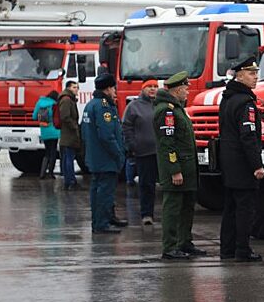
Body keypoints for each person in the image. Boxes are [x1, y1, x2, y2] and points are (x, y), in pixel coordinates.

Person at [153, 71, 206, 259]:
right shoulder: (166, 111)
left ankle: (184, 242)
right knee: (173, 209)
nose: (187, 92)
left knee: (186, 208)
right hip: (177, 170)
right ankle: (170, 246)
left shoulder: (177, 108)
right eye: (185, 89)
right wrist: (174, 170)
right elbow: (168, 144)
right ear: (176, 90)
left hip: (187, 169)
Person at [218, 56, 264, 262]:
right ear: (239, 75)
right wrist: (257, 165)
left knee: (230, 208)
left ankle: (227, 249)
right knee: (244, 209)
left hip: (228, 162)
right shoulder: (246, 103)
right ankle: (242, 251)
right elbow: (248, 136)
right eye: (251, 73)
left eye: (256, 73)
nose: (255, 77)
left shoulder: (227, 98)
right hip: (242, 164)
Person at [82, 73, 128, 234]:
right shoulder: (103, 107)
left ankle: (99, 221)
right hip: (105, 158)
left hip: (95, 157)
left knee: (96, 191)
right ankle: (101, 224)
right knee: (104, 192)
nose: (115, 91)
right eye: (113, 88)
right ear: (108, 88)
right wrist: (119, 154)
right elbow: (107, 135)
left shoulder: (90, 105)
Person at [122, 79, 159, 225]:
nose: (152, 89)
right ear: (143, 89)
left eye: (155, 87)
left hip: (161, 151)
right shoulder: (134, 106)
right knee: (146, 184)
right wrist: (132, 145)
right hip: (144, 152)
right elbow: (126, 126)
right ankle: (146, 214)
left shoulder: (160, 105)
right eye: (149, 87)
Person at [32, 90, 61, 179]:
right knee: (53, 152)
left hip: (44, 130)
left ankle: (42, 173)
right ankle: (51, 173)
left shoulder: (39, 102)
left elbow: (34, 117)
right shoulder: (55, 104)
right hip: (54, 131)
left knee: (47, 152)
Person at [58, 81, 81, 190]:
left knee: (68, 157)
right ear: (68, 88)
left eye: (77, 87)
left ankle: (69, 181)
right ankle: (70, 181)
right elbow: (65, 116)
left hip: (68, 134)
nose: (76, 89)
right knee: (69, 158)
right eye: (74, 87)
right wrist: (74, 126)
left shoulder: (69, 99)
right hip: (69, 134)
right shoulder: (66, 100)